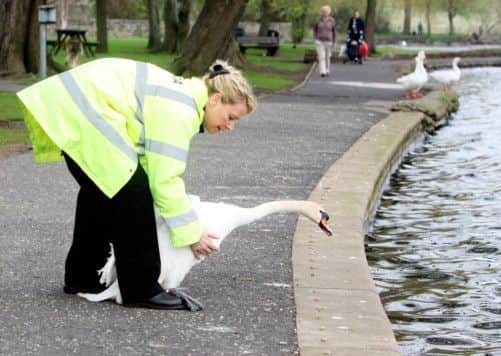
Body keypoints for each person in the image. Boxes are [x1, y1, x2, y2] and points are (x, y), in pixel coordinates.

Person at [17, 58, 256, 310]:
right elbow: (164, 179)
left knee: (103, 191)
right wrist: (192, 234)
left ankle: (83, 277)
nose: (230, 126)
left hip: (70, 107)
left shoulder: (179, 95)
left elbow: (147, 160)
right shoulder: (181, 108)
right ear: (216, 99)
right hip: (84, 111)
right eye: (231, 117)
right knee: (133, 191)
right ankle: (141, 289)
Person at [314, 5, 336, 77]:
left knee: (327, 57)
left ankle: (327, 70)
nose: (325, 12)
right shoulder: (318, 20)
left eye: (326, 11)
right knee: (321, 56)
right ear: (322, 12)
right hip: (319, 41)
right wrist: (315, 38)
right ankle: (322, 71)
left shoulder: (332, 20)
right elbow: (315, 29)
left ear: (329, 12)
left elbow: (334, 31)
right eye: (323, 11)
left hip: (329, 41)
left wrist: (334, 41)